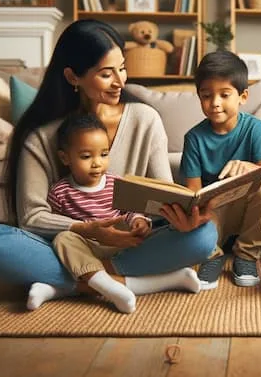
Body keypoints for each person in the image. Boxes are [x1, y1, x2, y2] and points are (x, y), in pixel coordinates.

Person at [0, 19, 218, 310]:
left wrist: (181, 216)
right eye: (105, 74)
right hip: (66, 245)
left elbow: (161, 197)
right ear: (73, 77)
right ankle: (128, 283)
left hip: (131, 245)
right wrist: (89, 229)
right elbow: (32, 217)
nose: (121, 81)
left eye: (122, 68)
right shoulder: (40, 136)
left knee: (205, 236)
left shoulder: (144, 120)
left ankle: (74, 283)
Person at [48, 113, 200, 313]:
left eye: (103, 154)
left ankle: (88, 284)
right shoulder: (60, 192)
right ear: (64, 157)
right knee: (62, 238)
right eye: (86, 156)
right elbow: (55, 224)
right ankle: (109, 287)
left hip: (122, 243)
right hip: (88, 247)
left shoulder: (114, 183)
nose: (97, 163)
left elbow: (128, 211)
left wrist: (138, 221)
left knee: (158, 235)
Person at [180, 51, 261, 290]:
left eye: (224, 95)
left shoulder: (254, 128)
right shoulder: (193, 137)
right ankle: (212, 255)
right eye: (206, 95)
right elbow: (193, 190)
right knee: (194, 205)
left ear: (242, 96)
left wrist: (249, 168)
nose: (215, 102)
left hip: (245, 202)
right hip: (213, 210)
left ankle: (247, 256)